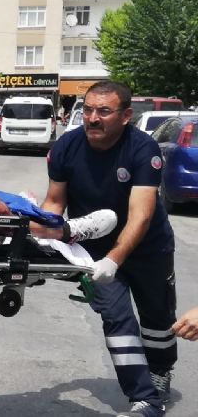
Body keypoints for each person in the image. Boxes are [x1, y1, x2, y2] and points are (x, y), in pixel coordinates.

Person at [40, 80, 176, 417]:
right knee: (116, 317)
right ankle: (145, 399)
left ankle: (159, 371)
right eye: (88, 110)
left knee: (157, 319)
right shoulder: (67, 146)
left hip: (148, 248)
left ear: (126, 116)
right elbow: (54, 202)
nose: (92, 118)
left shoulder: (143, 149)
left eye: (103, 111)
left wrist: (115, 260)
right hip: (93, 251)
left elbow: (141, 215)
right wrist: (43, 235)